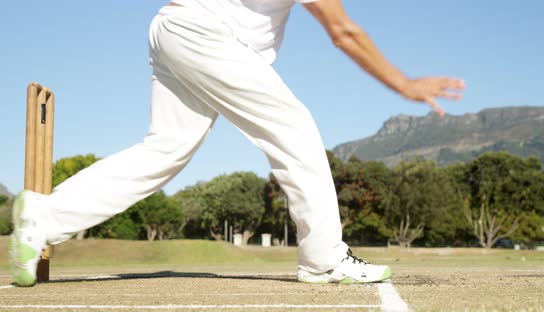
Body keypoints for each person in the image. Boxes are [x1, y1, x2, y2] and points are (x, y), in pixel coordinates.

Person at [10, 0, 464, 286]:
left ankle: (42, 216)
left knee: (165, 149)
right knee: (294, 128)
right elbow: (343, 31)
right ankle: (324, 260)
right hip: (206, 33)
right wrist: (405, 84)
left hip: (172, 26)